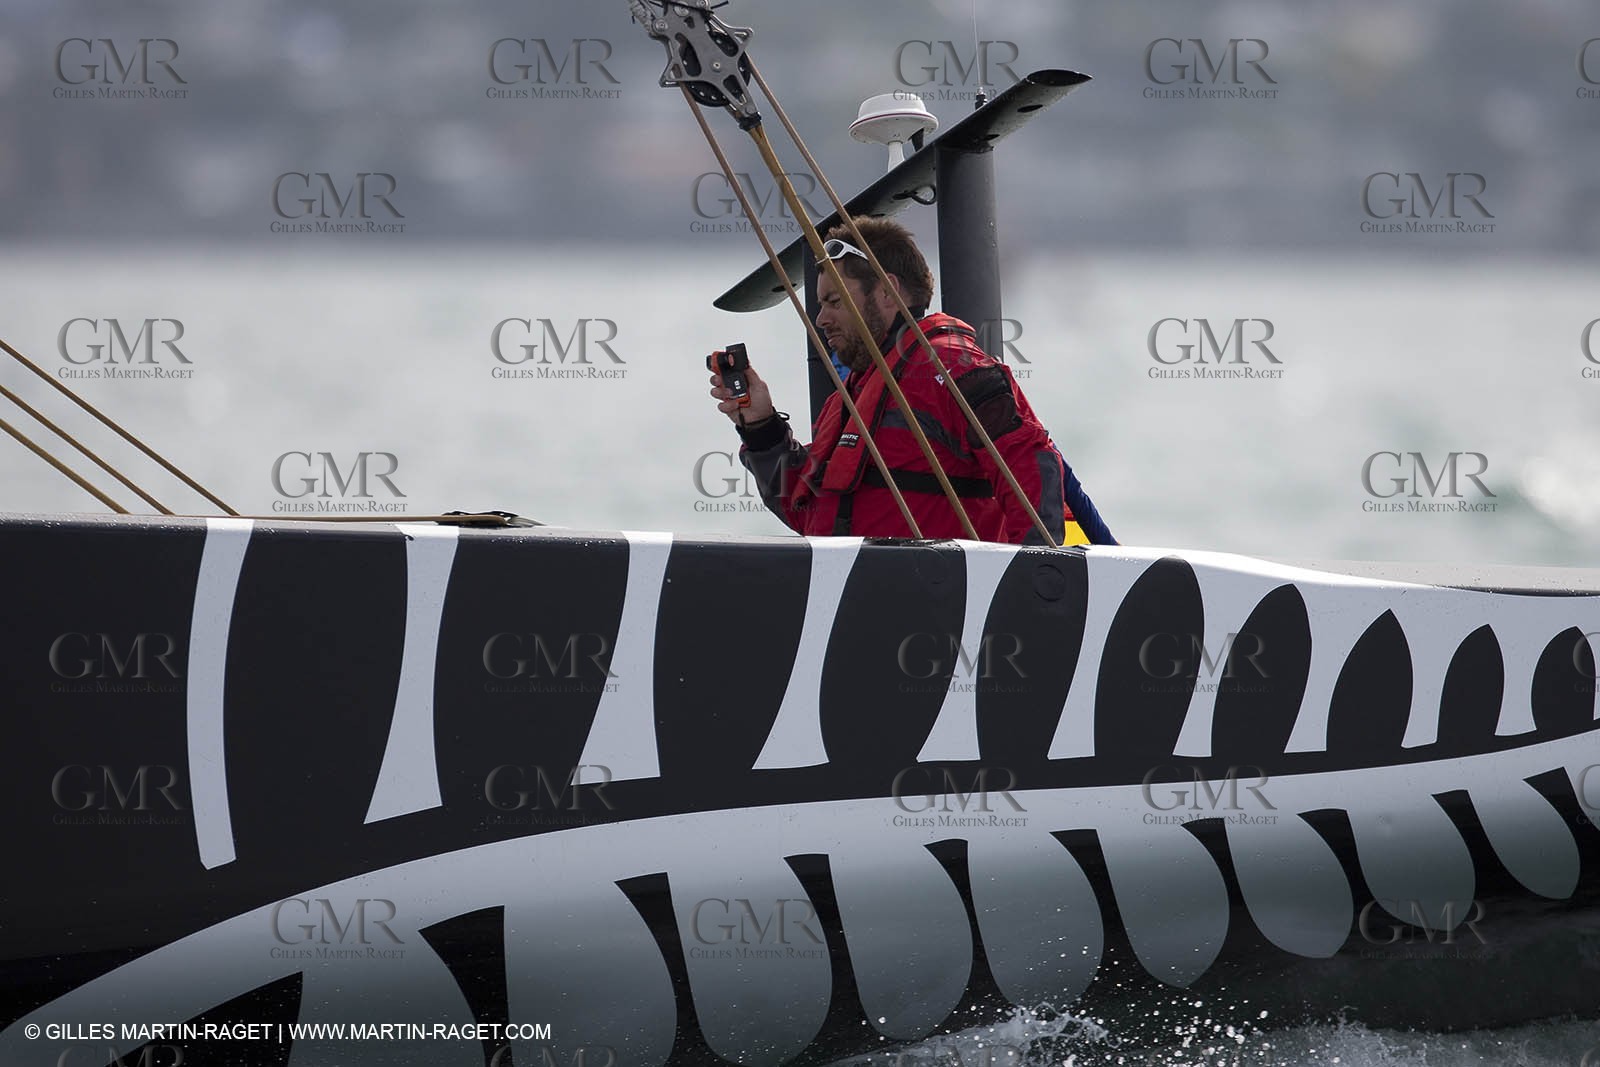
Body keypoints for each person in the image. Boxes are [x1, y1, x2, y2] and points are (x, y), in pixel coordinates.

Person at [707, 217, 1115, 546]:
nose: (821, 318)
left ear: (887, 292)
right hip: (856, 611)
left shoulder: (952, 369)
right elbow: (808, 512)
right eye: (821, 304)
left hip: (937, 619)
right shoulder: (851, 398)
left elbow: (1030, 463)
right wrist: (760, 426)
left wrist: (1030, 583)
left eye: (834, 302)